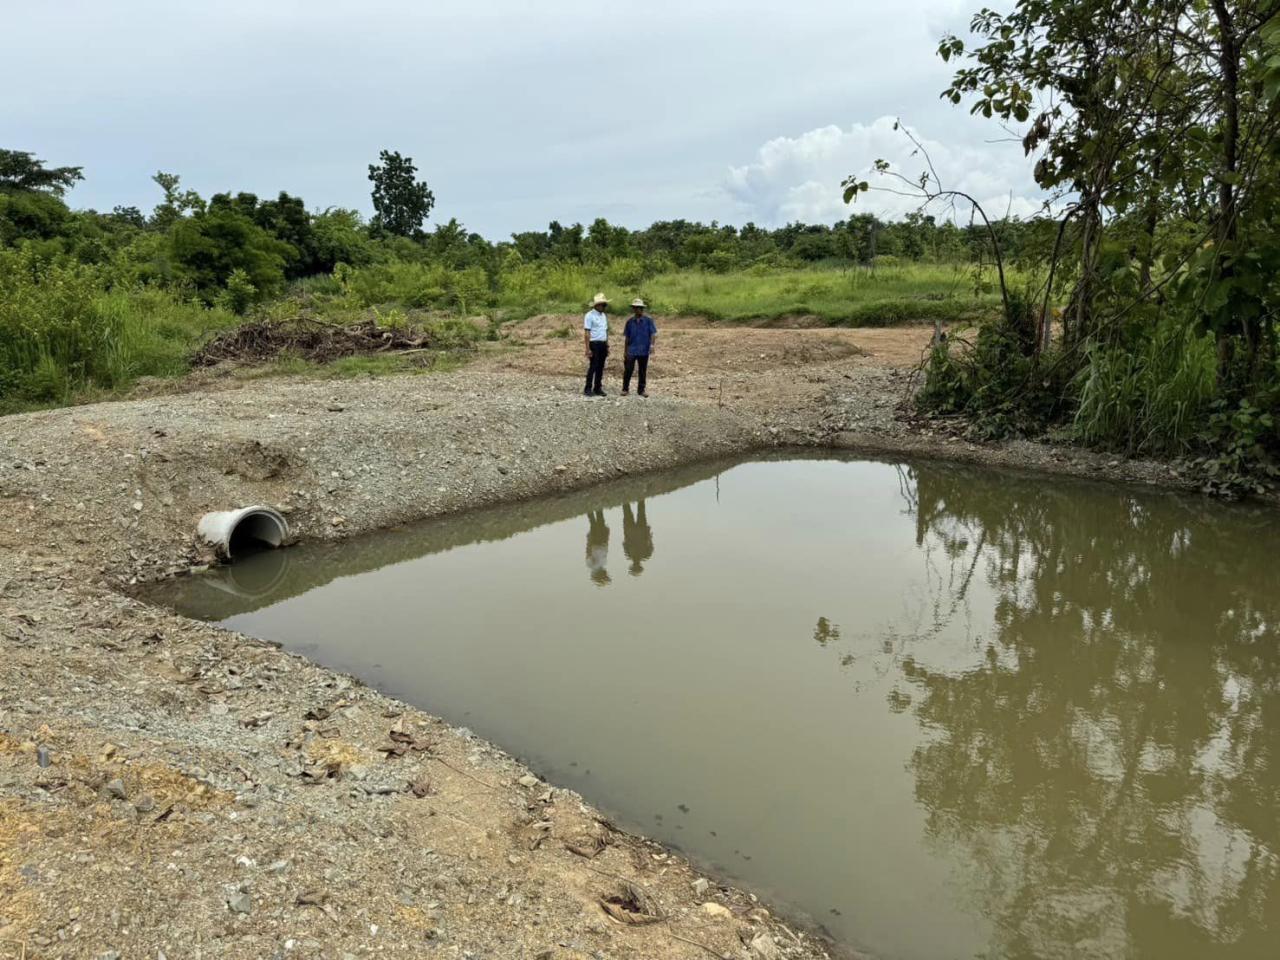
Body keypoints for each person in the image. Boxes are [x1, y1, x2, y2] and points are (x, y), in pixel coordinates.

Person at [621, 299, 657, 397]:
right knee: (628, 369)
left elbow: (653, 334)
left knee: (642, 370)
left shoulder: (648, 321)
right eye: (636, 308)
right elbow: (627, 337)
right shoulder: (629, 322)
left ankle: (641, 390)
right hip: (632, 349)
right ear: (633, 309)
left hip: (644, 349)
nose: (638, 310)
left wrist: (652, 345)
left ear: (642, 309)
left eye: (640, 308)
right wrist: (625, 351)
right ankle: (625, 389)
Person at [583, 293, 610, 397]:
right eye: (603, 305)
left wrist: (607, 345)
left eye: (604, 305)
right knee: (593, 366)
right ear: (597, 305)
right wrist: (587, 348)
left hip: (602, 343)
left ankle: (598, 387)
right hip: (594, 343)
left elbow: (605, 331)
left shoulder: (603, 316)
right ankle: (588, 388)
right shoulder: (589, 315)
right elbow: (587, 332)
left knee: (601, 367)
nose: (604, 307)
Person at [621, 499, 654, 576]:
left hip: (637, 530)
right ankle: (629, 495)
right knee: (628, 510)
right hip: (633, 530)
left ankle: (638, 496)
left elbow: (625, 542)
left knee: (639, 511)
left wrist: (648, 532)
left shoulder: (646, 555)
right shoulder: (644, 555)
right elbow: (624, 542)